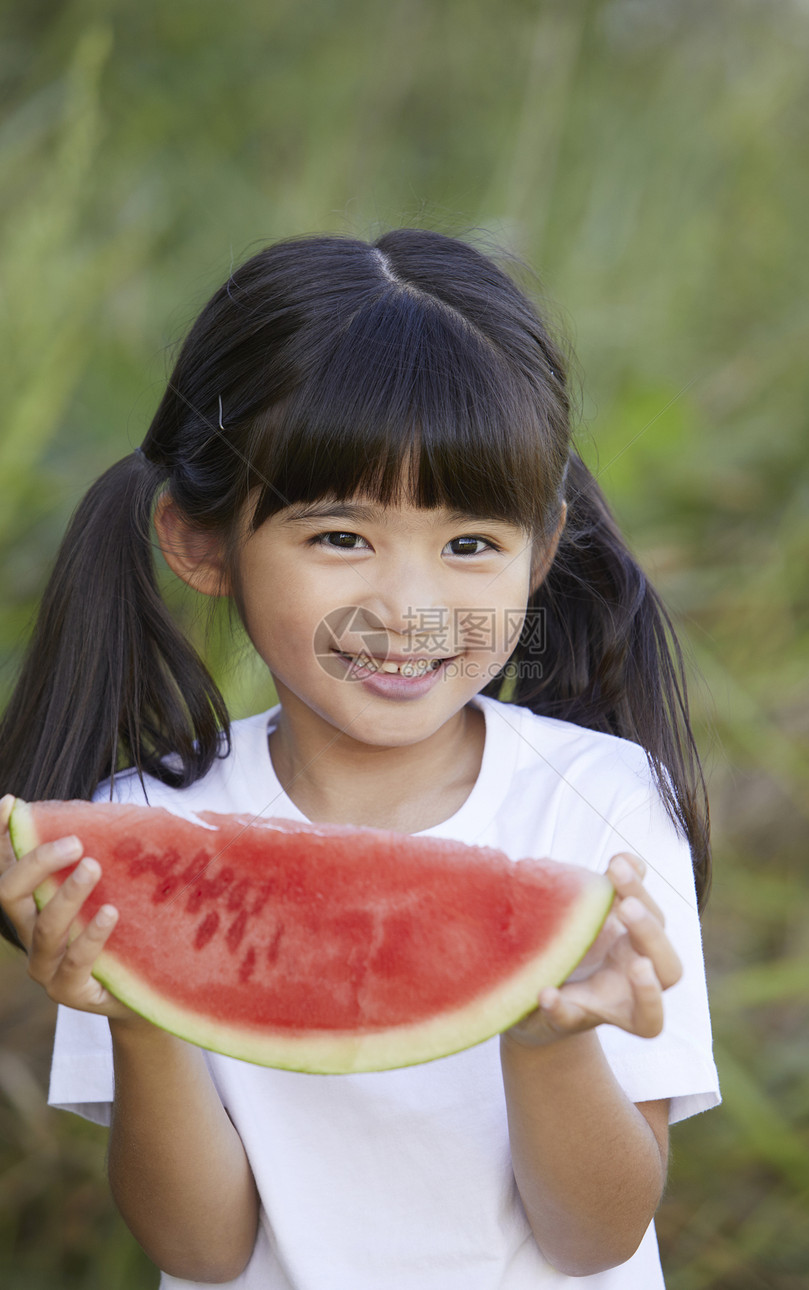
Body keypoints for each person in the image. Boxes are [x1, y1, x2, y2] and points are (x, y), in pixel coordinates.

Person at [0, 230, 719, 1289]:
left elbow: (593, 1238)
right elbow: (202, 1249)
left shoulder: (598, 812)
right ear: (200, 544)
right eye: (340, 537)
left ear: (543, 543)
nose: (408, 610)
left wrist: (549, 1041)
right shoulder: (130, 826)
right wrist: (145, 1019)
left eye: (469, 544)